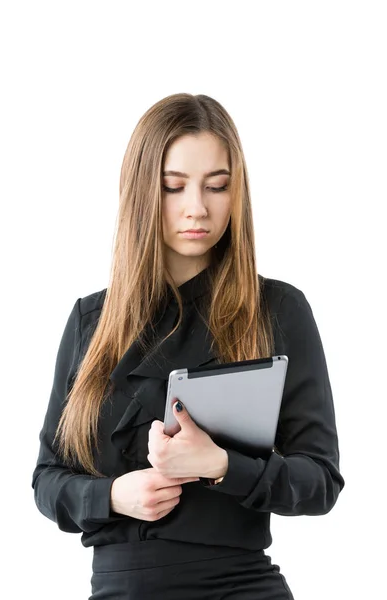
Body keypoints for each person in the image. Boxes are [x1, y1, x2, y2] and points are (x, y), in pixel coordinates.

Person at [31, 93, 345, 600]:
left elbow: (320, 481)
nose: (197, 208)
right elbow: (48, 479)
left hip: (241, 585)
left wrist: (219, 465)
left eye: (217, 186)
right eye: (174, 187)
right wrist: (112, 495)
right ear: (141, 193)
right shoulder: (91, 320)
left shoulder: (279, 309)